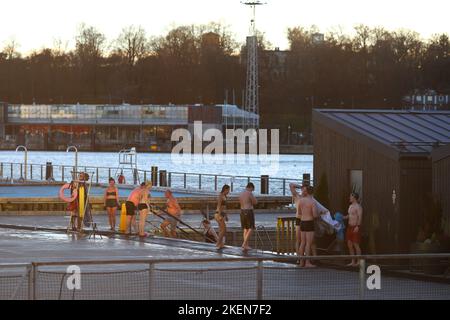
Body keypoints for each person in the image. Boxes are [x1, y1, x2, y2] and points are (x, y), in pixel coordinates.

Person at [297, 185, 318, 268]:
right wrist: (320, 214)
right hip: (309, 222)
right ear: (312, 192)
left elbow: (299, 212)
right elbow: (315, 215)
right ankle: (307, 262)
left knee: (302, 243)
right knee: (308, 243)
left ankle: (301, 262)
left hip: (302, 222)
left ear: (306, 192)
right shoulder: (312, 202)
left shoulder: (301, 201)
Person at [344, 193, 363, 266]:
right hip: (349, 226)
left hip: (355, 227)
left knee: (356, 244)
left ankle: (358, 261)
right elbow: (349, 215)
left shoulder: (358, 207)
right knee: (349, 244)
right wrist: (342, 217)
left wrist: (358, 226)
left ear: (354, 198)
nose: (349, 198)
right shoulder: (350, 206)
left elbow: (360, 217)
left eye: (350, 196)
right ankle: (353, 261)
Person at [239, 182, 257, 251]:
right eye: (252, 189)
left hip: (242, 211)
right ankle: (244, 243)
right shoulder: (249, 193)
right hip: (249, 211)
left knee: (245, 228)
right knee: (251, 228)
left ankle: (246, 245)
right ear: (250, 187)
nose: (252, 191)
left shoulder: (241, 193)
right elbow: (255, 202)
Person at [215, 184, 230, 249]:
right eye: (228, 190)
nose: (229, 191)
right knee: (223, 230)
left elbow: (225, 207)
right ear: (225, 189)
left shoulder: (225, 196)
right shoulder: (220, 196)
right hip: (219, 214)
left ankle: (220, 244)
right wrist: (219, 215)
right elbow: (219, 206)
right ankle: (218, 243)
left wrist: (226, 216)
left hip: (222, 214)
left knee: (221, 230)